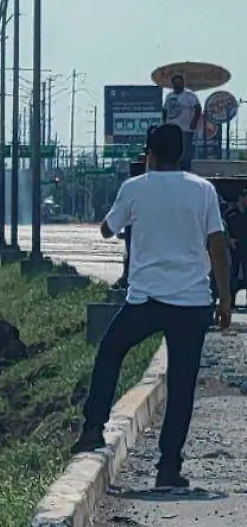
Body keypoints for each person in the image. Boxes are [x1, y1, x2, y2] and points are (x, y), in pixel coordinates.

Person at [73, 124, 233, 489]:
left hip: (145, 301)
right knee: (181, 384)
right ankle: (168, 469)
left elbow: (106, 230)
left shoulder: (134, 189)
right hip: (192, 303)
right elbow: (218, 246)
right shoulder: (203, 190)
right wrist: (224, 298)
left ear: (150, 154)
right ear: (182, 154)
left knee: (110, 353)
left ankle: (93, 429)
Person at [162, 74, 203, 171]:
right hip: (171, 128)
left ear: (183, 84)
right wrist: (164, 124)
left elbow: (198, 108)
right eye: (175, 83)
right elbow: (165, 110)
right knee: (172, 152)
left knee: (184, 154)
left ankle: (186, 171)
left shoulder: (189, 95)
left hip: (185, 129)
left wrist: (193, 123)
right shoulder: (169, 96)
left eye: (179, 83)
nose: (177, 85)